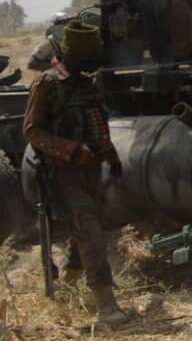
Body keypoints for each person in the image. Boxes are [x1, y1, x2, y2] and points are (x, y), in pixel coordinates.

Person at [22, 20, 129, 327]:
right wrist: (70, 150)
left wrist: (109, 154)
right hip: (63, 174)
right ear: (77, 55)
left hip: (91, 171)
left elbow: (97, 123)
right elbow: (32, 130)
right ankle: (106, 305)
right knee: (91, 233)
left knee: (84, 231)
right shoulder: (48, 83)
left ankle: (68, 284)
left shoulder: (87, 83)